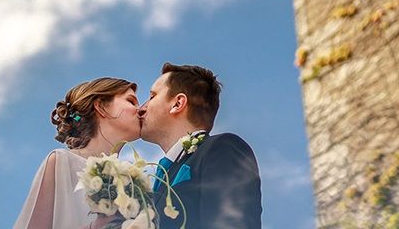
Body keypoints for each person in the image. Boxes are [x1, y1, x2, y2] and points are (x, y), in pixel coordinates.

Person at [138, 63, 262, 229]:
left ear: (177, 103)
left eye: (152, 96)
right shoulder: (161, 177)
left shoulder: (222, 149)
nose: (141, 108)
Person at [13, 77, 141, 229]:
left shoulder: (134, 183)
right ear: (101, 107)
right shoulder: (61, 162)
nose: (140, 110)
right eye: (131, 101)